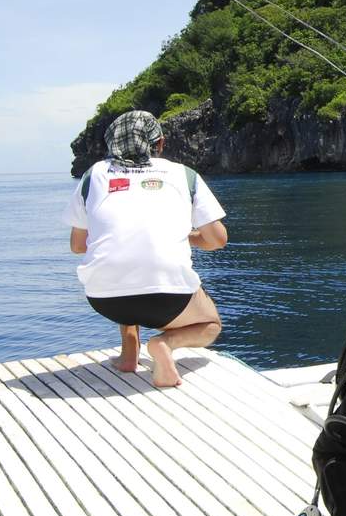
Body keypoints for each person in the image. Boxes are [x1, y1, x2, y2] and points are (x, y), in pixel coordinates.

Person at [62, 110, 227, 387]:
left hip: (105, 300)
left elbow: (78, 246)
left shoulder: (94, 176)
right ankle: (164, 343)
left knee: (125, 263)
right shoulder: (183, 175)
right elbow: (217, 240)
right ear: (159, 143)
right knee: (211, 325)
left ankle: (129, 354)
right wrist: (188, 237)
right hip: (167, 299)